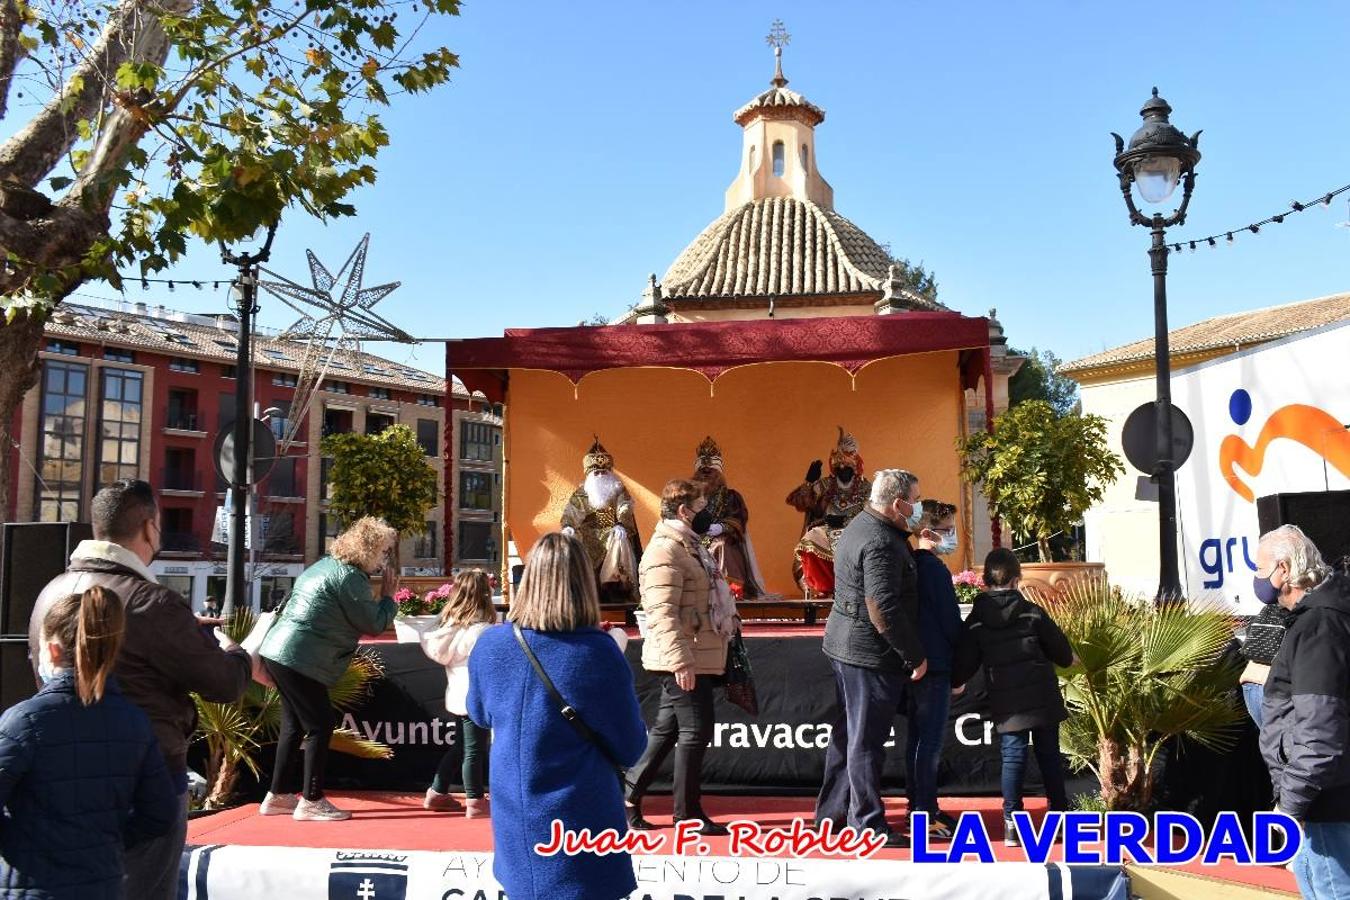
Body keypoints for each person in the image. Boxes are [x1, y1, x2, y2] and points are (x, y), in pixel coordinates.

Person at [30, 479, 250, 900]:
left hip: (63, 777)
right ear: (150, 528)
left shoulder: (49, 593)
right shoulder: (153, 601)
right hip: (143, 780)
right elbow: (224, 682)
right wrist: (237, 651)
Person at [467, 532, 647, 900]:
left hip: (517, 815)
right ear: (585, 583)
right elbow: (630, 747)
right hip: (583, 817)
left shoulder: (491, 644)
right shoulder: (597, 652)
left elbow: (479, 713)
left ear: (528, 579)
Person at [1, 587, 177, 899]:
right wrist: (104, 842)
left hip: (34, 885)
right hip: (103, 882)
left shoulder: (24, 721)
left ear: (53, 650)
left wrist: (20, 843)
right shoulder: (134, 722)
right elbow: (161, 813)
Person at [258, 516, 399, 821]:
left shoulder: (324, 565)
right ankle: (311, 800)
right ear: (370, 549)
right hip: (299, 657)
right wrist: (388, 598)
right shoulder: (350, 578)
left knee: (294, 725)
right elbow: (373, 623)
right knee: (320, 725)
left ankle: (278, 795)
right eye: (384, 551)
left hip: (278, 650)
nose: (385, 557)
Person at [815, 469, 928, 848]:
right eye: (914, 499)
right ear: (898, 503)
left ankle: (831, 818)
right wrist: (914, 656)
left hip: (848, 646)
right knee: (864, 741)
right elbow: (882, 605)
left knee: (848, 736)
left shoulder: (862, 524)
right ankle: (867, 823)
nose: (917, 507)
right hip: (868, 653)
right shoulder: (880, 540)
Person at [625, 479, 736, 835]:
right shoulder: (665, 550)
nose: (709, 515)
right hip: (682, 656)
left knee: (667, 730)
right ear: (685, 511)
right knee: (694, 730)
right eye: (703, 508)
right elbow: (660, 612)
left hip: (694, 652)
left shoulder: (689, 546)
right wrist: (681, 660)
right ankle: (687, 814)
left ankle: (627, 799)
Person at [952, 548, 1074, 848]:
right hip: (1041, 696)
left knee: (1013, 757)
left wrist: (956, 683)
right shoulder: (1033, 612)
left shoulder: (977, 621)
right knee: (1049, 757)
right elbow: (1062, 653)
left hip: (1007, 703)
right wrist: (1073, 659)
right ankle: (1058, 817)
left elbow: (965, 662)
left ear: (984, 581)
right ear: (1018, 579)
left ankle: (1011, 824)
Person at [1255, 525, 1350, 899]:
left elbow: (1319, 730)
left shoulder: (1320, 625)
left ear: (1283, 569)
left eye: (1260, 569)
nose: (1258, 579)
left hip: (1327, 797)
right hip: (1323, 796)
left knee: (1331, 888)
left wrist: (1289, 806)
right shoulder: (1325, 616)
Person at [906, 500, 963, 841]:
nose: (952, 537)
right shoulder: (934, 570)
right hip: (936, 664)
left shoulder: (914, 565)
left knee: (918, 738)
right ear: (927, 532)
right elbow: (949, 623)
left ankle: (921, 804)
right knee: (928, 742)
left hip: (921, 662)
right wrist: (960, 667)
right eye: (947, 531)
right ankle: (924, 812)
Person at [420, 569, 495, 817]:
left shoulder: (449, 630)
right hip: (477, 697)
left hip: (457, 694)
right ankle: (475, 799)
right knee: (474, 749)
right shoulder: (483, 631)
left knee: (462, 746)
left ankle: (437, 791)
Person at [787, 427, 873, 596]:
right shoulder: (825, 484)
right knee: (810, 538)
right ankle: (821, 587)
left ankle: (859, 588)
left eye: (847, 466)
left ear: (855, 466)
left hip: (857, 531)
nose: (843, 469)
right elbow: (798, 501)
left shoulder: (866, 487)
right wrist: (808, 482)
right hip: (826, 530)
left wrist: (847, 522)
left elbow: (872, 513)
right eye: (839, 467)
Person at [560, 437, 644, 604]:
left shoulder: (619, 490)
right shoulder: (582, 493)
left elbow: (624, 506)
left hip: (613, 531)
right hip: (587, 534)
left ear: (610, 473)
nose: (600, 475)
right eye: (596, 473)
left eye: (603, 472)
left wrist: (620, 523)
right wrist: (569, 526)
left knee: (619, 539)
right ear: (589, 474)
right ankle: (579, 594)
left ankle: (615, 589)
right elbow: (571, 512)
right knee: (570, 541)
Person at [690, 435, 771, 599]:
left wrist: (722, 527)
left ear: (718, 473)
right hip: (693, 537)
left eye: (710, 471)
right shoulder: (688, 496)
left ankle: (729, 591)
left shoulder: (730, 496)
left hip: (722, 538)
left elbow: (739, 519)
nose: (706, 474)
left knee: (722, 545)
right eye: (702, 472)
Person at [1237, 598, 1293, 729]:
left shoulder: (1270, 605)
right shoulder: (1312, 609)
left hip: (1253, 681)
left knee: (1271, 744)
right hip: (1279, 687)